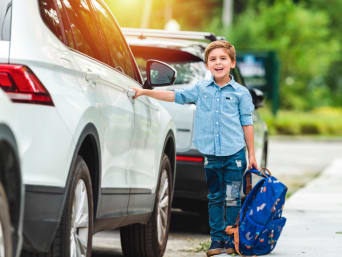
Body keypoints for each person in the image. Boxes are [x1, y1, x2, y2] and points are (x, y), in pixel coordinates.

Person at [132, 40, 258, 257]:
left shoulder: (241, 93)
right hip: (211, 154)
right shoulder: (201, 90)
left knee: (232, 197)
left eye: (223, 59)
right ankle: (216, 240)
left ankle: (230, 239)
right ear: (208, 65)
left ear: (232, 63)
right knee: (215, 197)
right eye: (213, 60)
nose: (218, 63)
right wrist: (145, 92)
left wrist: (252, 154)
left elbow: (247, 123)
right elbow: (175, 96)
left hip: (235, 154)